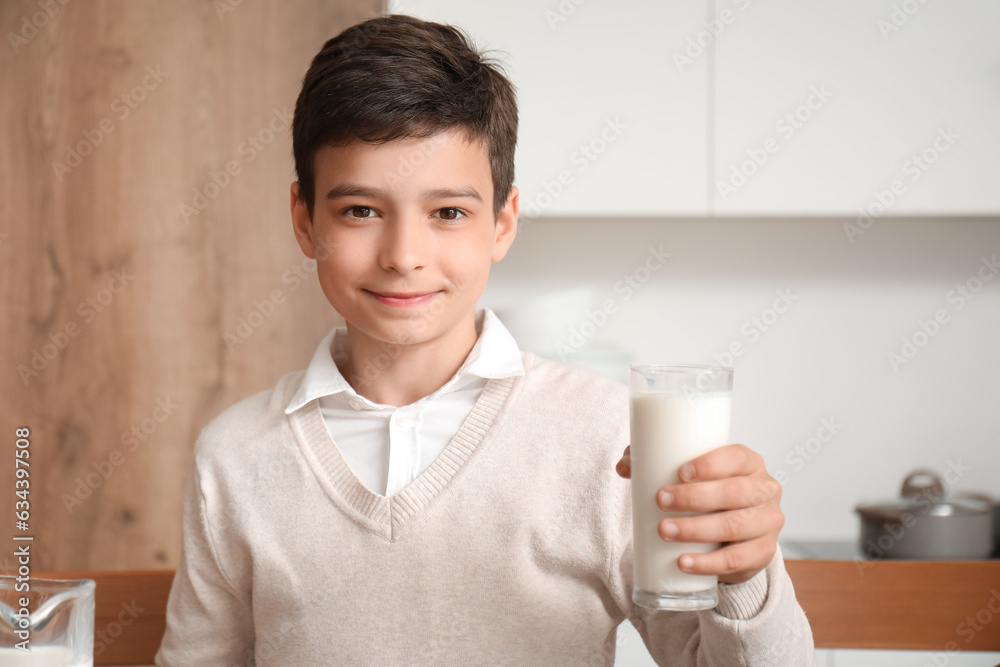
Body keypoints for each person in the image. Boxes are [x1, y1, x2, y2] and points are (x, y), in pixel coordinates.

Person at [155, 13, 816, 666]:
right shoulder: (235, 458)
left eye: (448, 213)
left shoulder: (606, 439)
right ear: (305, 219)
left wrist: (745, 574)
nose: (404, 255)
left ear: (502, 223)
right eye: (361, 210)